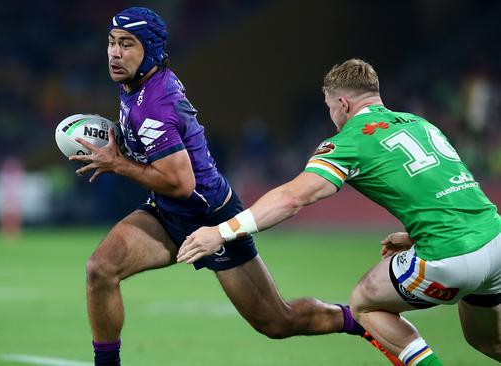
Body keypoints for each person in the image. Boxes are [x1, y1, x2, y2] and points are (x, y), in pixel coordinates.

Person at [68, 9, 399, 366]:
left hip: (211, 217)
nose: (114, 53)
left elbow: (181, 183)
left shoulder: (156, 105)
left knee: (277, 321)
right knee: (100, 269)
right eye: (112, 43)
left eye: (126, 44)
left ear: (149, 50)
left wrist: (118, 163)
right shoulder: (138, 83)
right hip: (167, 213)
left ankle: (360, 322)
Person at [177, 58, 501, 366]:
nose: (332, 116)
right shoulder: (420, 124)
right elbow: (447, 189)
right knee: (485, 341)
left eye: (331, 108)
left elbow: (292, 198)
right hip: (494, 240)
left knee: (363, 303)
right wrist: (416, 235)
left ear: (343, 104)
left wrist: (220, 232)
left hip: (450, 255)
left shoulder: (349, 140)